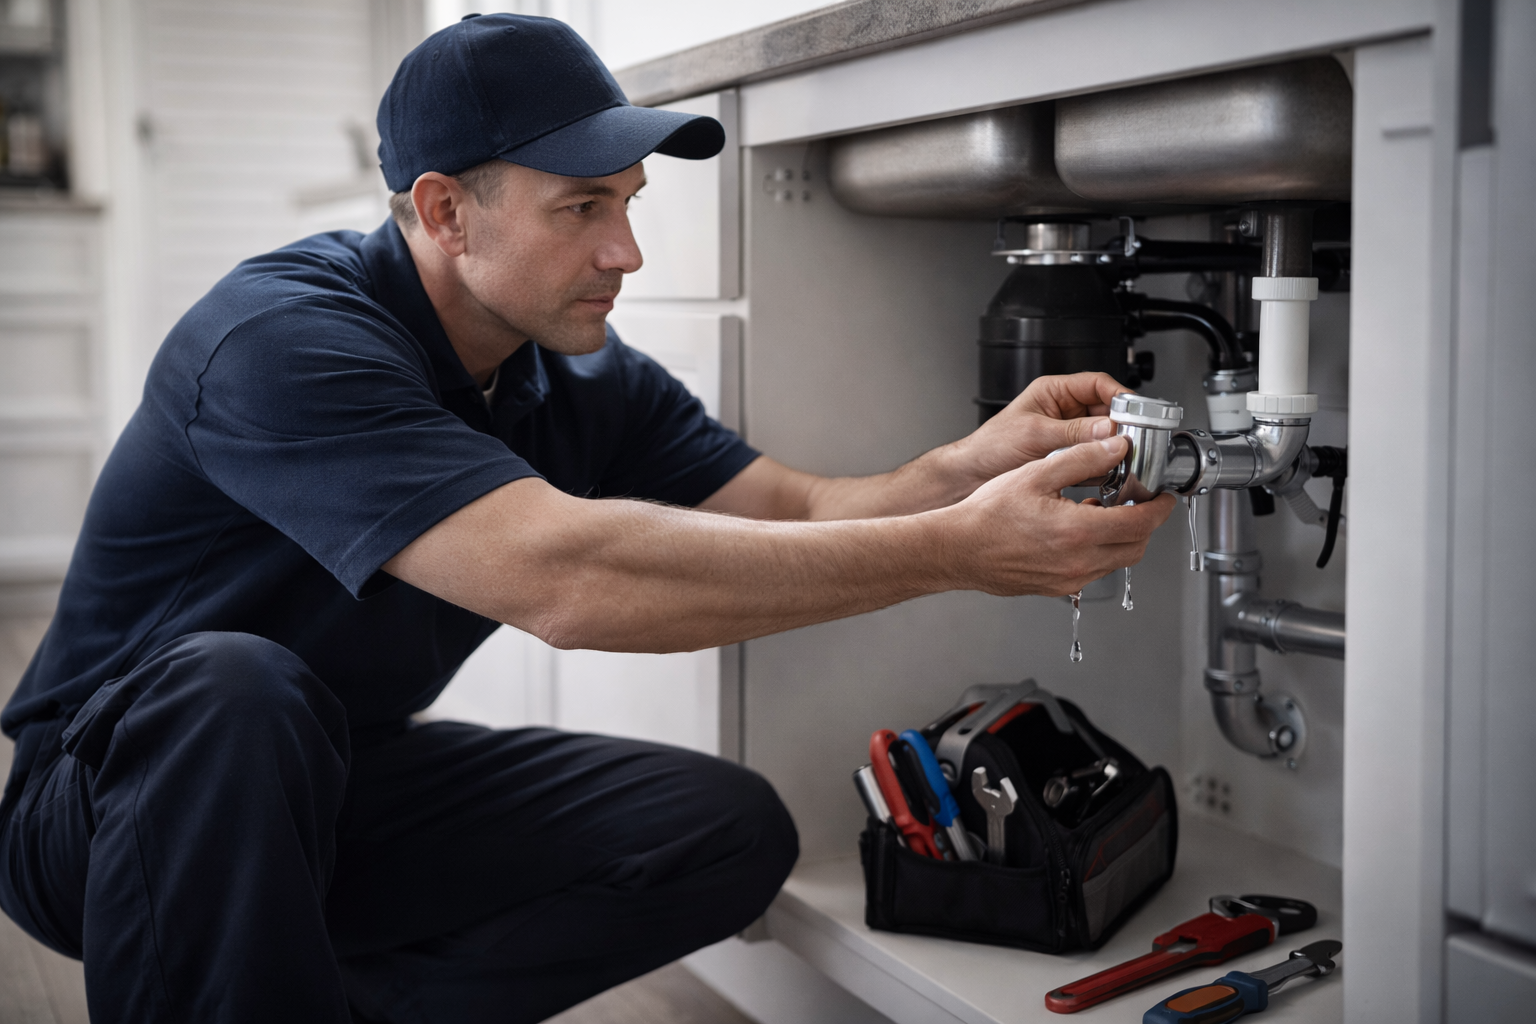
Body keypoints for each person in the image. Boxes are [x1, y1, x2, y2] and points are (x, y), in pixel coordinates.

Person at [0, 14, 1174, 1024]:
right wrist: (958, 554)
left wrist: (973, 469)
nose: (626, 252)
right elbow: (564, 580)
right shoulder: (281, 340)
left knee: (722, 829)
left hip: (341, 783)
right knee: (234, 687)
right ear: (447, 210)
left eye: (626, 202)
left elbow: (808, 508)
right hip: (114, 810)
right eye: (580, 209)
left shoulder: (577, 377)